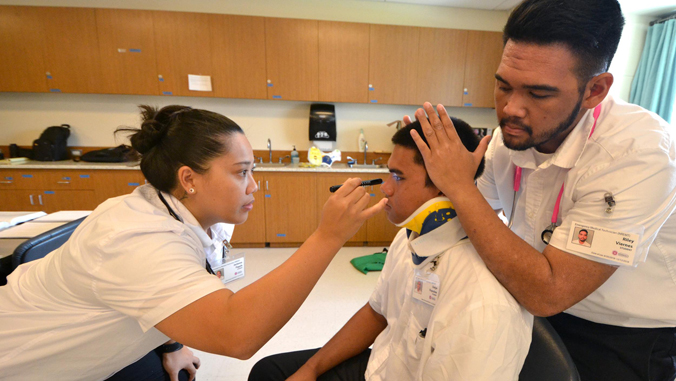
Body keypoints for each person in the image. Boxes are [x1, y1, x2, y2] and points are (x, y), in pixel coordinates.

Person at [0, 105, 387, 381]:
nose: (253, 186)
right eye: (241, 172)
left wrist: (172, 342)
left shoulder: (195, 214)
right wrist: (328, 237)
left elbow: (172, 287)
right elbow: (236, 334)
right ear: (189, 179)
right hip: (24, 361)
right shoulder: (135, 237)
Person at [405, 0, 676, 380]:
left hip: (622, 332)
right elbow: (468, 221)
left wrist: (458, 186)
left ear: (594, 90)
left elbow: (549, 291)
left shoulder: (637, 152)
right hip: (529, 303)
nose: (511, 109)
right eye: (503, 85)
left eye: (538, 93)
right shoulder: (508, 140)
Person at [248, 119, 533, 381]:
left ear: (445, 188)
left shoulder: (482, 301)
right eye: (388, 174)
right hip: (383, 368)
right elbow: (377, 312)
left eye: (398, 177)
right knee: (269, 372)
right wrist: (311, 370)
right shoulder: (408, 238)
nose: (385, 188)